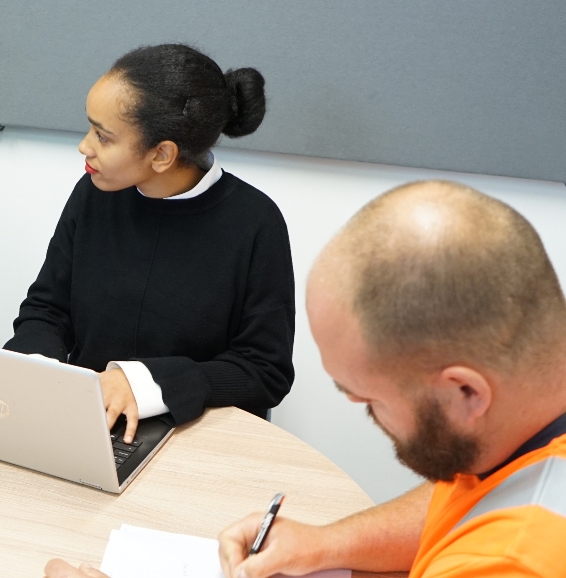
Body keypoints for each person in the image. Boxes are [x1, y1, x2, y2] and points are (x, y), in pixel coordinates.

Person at [46, 180, 566, 578]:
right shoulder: (524, 423)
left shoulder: (514, 557)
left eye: (368, 399)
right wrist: (325, 543)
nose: (368, 416)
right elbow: (464, 496)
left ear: (466, 392)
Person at [4, 44, 295, 442]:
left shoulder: (255, 223)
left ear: (162, 154)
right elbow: (47, 309)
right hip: (91, 427)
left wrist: (142, 383)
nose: (85, 146)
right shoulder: (94, 194)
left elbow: (264, 371)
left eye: (104, 137)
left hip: (196, 440)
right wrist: (38, 365)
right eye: (90, 128)